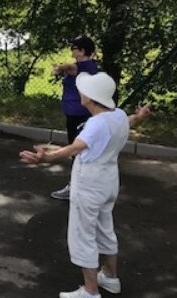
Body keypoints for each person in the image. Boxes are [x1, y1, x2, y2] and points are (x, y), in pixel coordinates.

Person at [20, 73, 151, 298]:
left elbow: (74, 148)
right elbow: (131, 121)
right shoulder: (118, 115)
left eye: (84, 90)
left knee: (82, 235)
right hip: (109, 180)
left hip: (90, 183)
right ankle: (110, 277)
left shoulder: (96, 124)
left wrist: (46, 158)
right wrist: (140, 116)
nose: (80, 92)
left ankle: (90, 291)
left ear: (91, 97)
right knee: (104, 228)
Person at [51, 35, 100, 200]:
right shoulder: (88, 66)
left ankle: (75, 187)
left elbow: (68, 67)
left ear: (82, 51)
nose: (71, 51)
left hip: (78, 115)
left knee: (77, 151)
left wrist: (59, 68)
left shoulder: (83, 67)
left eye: (74, 48)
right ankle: (83, 186)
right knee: (81, 151)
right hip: (78, 113)